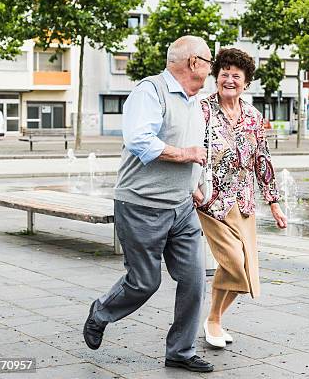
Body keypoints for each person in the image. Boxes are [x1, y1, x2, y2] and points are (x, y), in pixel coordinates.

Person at [83, 36, 216, 373]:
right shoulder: (150, 91)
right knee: (144, 282)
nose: (211, 67)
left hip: (181, 207)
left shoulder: (194, 101)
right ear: (193, 63)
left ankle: (181, 351)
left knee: (194, 279)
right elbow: (141, 141)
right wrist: (187, 155)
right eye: (209, 60)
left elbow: (193, 149)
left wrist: (195, 185)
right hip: (141, 206)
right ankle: (101, 312)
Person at [193, 48, 287, 349]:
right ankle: (213, 320)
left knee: (245, 269)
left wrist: (273, 201)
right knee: (234, 263)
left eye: (236, 75)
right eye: (224, 74)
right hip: (211, 200)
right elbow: (188, 148)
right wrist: (192, 189)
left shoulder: (253, 117)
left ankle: (214, 320)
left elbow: (262, 159)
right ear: (216, 77)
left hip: (244, 202)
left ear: (246, 82)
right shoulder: (202, 110)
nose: (229, 79)